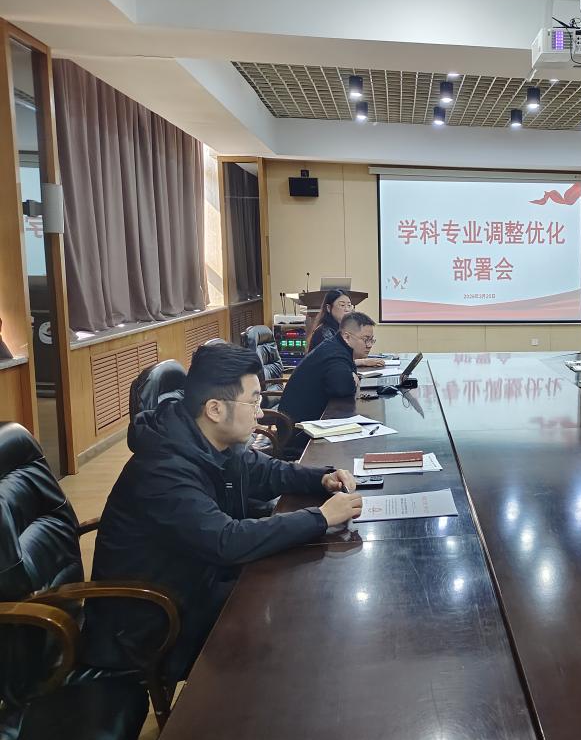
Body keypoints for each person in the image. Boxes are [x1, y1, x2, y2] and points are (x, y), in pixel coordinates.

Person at [84, 343, 363, 679]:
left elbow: (263, 471)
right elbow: (226, 540)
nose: (260, 414)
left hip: (198, 582)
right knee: (295, 628)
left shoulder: (205, 438)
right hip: (152, 623)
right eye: (253, 401)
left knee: (303, 602)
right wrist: (321, 517)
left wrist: (322, 478)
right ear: (215, 409)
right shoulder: (163, 469)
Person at [280, 311, 375, 427]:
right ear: (347, 337)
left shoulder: (337, 347)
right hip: (299, 428)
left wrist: (352, 377)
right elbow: (342, 389)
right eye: (366, 339)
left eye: (372, 340)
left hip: (307, 419)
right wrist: (351, 380)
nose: (369, 345)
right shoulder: (335, 353)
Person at [307, 289, 385, 368]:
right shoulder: (324, 331)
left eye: (349, 305)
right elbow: (334, 360)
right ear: (328, 308)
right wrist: (363, 361)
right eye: (342, 305)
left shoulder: (344, 329)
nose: (347, 309)